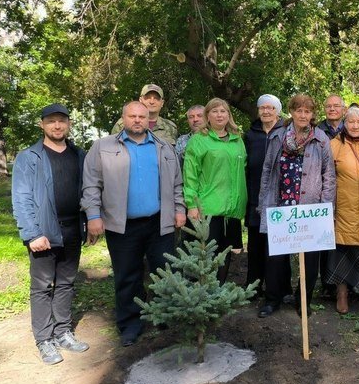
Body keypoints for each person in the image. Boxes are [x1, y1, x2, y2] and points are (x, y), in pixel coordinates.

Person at [82, 101, 186, 346]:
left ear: (149, 119)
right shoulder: (103, 147)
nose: (138, 120)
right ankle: (130, 323)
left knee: (165, 271)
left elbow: (176, 184)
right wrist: (93, 215)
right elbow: (91, 184)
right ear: (124, 118)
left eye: (142, 116)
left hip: (159, 223)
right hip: (122, 225)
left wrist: (179, 209)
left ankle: (164, 316)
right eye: (132, 116)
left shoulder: (163, 147)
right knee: (127, 275)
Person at [12, 103, 89, 365]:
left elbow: (86, 192)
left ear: (68, 124)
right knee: (42, 286)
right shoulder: (29, 157)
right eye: (51, 121)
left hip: (72, 229)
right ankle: (44, 339)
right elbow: (21, 198)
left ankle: (63, 331)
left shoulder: (78, 154)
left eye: (62, 121)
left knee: (67, 282)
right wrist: (32, 233)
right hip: (44, 231)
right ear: (42, 124)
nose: (57, 126)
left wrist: (88, 223)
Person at [258, 94, 336, 318]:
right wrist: (264, 201)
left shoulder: (320, 139)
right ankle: (272, 299)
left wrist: (326, 207)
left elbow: (328, 175)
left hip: (310, 208)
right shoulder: (278, 136)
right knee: (274, 256)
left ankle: (304, 301)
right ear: (291, 112)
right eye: (299, 110)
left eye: (307, 111)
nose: (303, 115)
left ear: (312, 115)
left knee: (310, 259)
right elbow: (267, 169)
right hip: (280, 204)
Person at [183, 98, 247, 283]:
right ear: (207, 116)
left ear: (229, 115)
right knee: (207, 255)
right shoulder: (199, 141)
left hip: (233, 208)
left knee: (226, 253)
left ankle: (218, 295)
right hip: (208, 207)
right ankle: (203, 294)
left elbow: (242, 167)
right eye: (215, 111)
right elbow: (190, 175)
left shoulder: (237, 140)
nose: (220, 115)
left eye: (223, 111)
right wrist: (191, 204)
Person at [327, 104, 359, 314]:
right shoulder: (333, 145)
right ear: (344, 123)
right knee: (342, 251)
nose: (355, 126)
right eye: (351, 121)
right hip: (343, 207)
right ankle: (342, 293)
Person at [244, 94, 286, 298]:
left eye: (270, 108)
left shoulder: (286, 132)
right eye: (262, 108)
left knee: (278, 246)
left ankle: (280, 288)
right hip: (255, 196)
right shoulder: (251, 135)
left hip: (279, 198)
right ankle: (253, 286)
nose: (266, 111)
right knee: (255, 245)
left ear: (277, 111)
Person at [316, 94, 346, 298]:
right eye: (329, 106)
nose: (333, 109)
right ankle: (327, 284)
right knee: (324, 238)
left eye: (337, 106)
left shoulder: (352, 126)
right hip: (323, 190)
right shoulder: (317, 131)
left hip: (347, 192)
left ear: (343, 109)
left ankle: (348, 283)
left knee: (344, 240)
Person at [111, 84, 178, 144]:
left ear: (162, 103)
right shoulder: (122, 124)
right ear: (140, 100)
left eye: (156, 98)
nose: (152, 102)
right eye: (148, 98)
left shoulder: (170, 127)